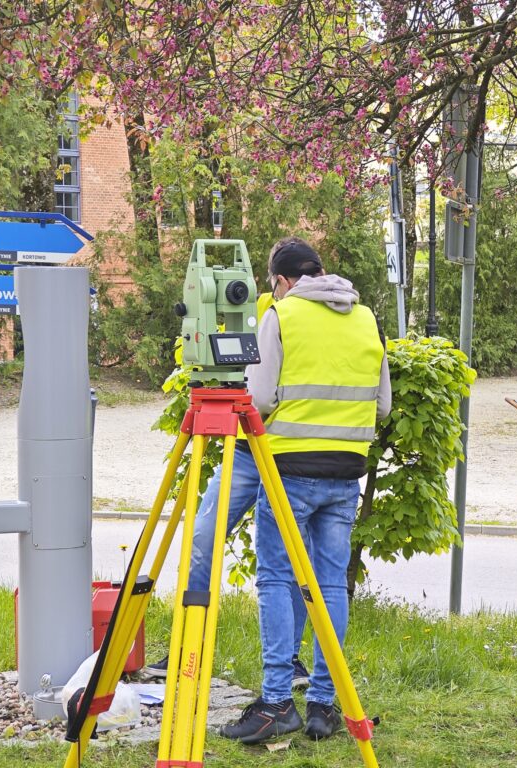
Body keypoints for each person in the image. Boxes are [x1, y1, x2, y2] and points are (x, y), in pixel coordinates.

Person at [220, 237, 391, 745]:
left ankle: (276, 702)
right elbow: (381, 406)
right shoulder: (365, 318)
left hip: (290, 468)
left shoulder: (283, 315)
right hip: (346, 472)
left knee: (276, 578)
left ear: (284, 280)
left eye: (274, 285)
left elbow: (261, 397)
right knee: (331, 583)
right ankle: (323, 704)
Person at [142, 280, 310, 688]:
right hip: (249, 451)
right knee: (203, 536)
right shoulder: (266, 309)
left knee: (293, 557)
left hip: (288, 453)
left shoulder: (316, 324)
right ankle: (188, 645)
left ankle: (290, 659)